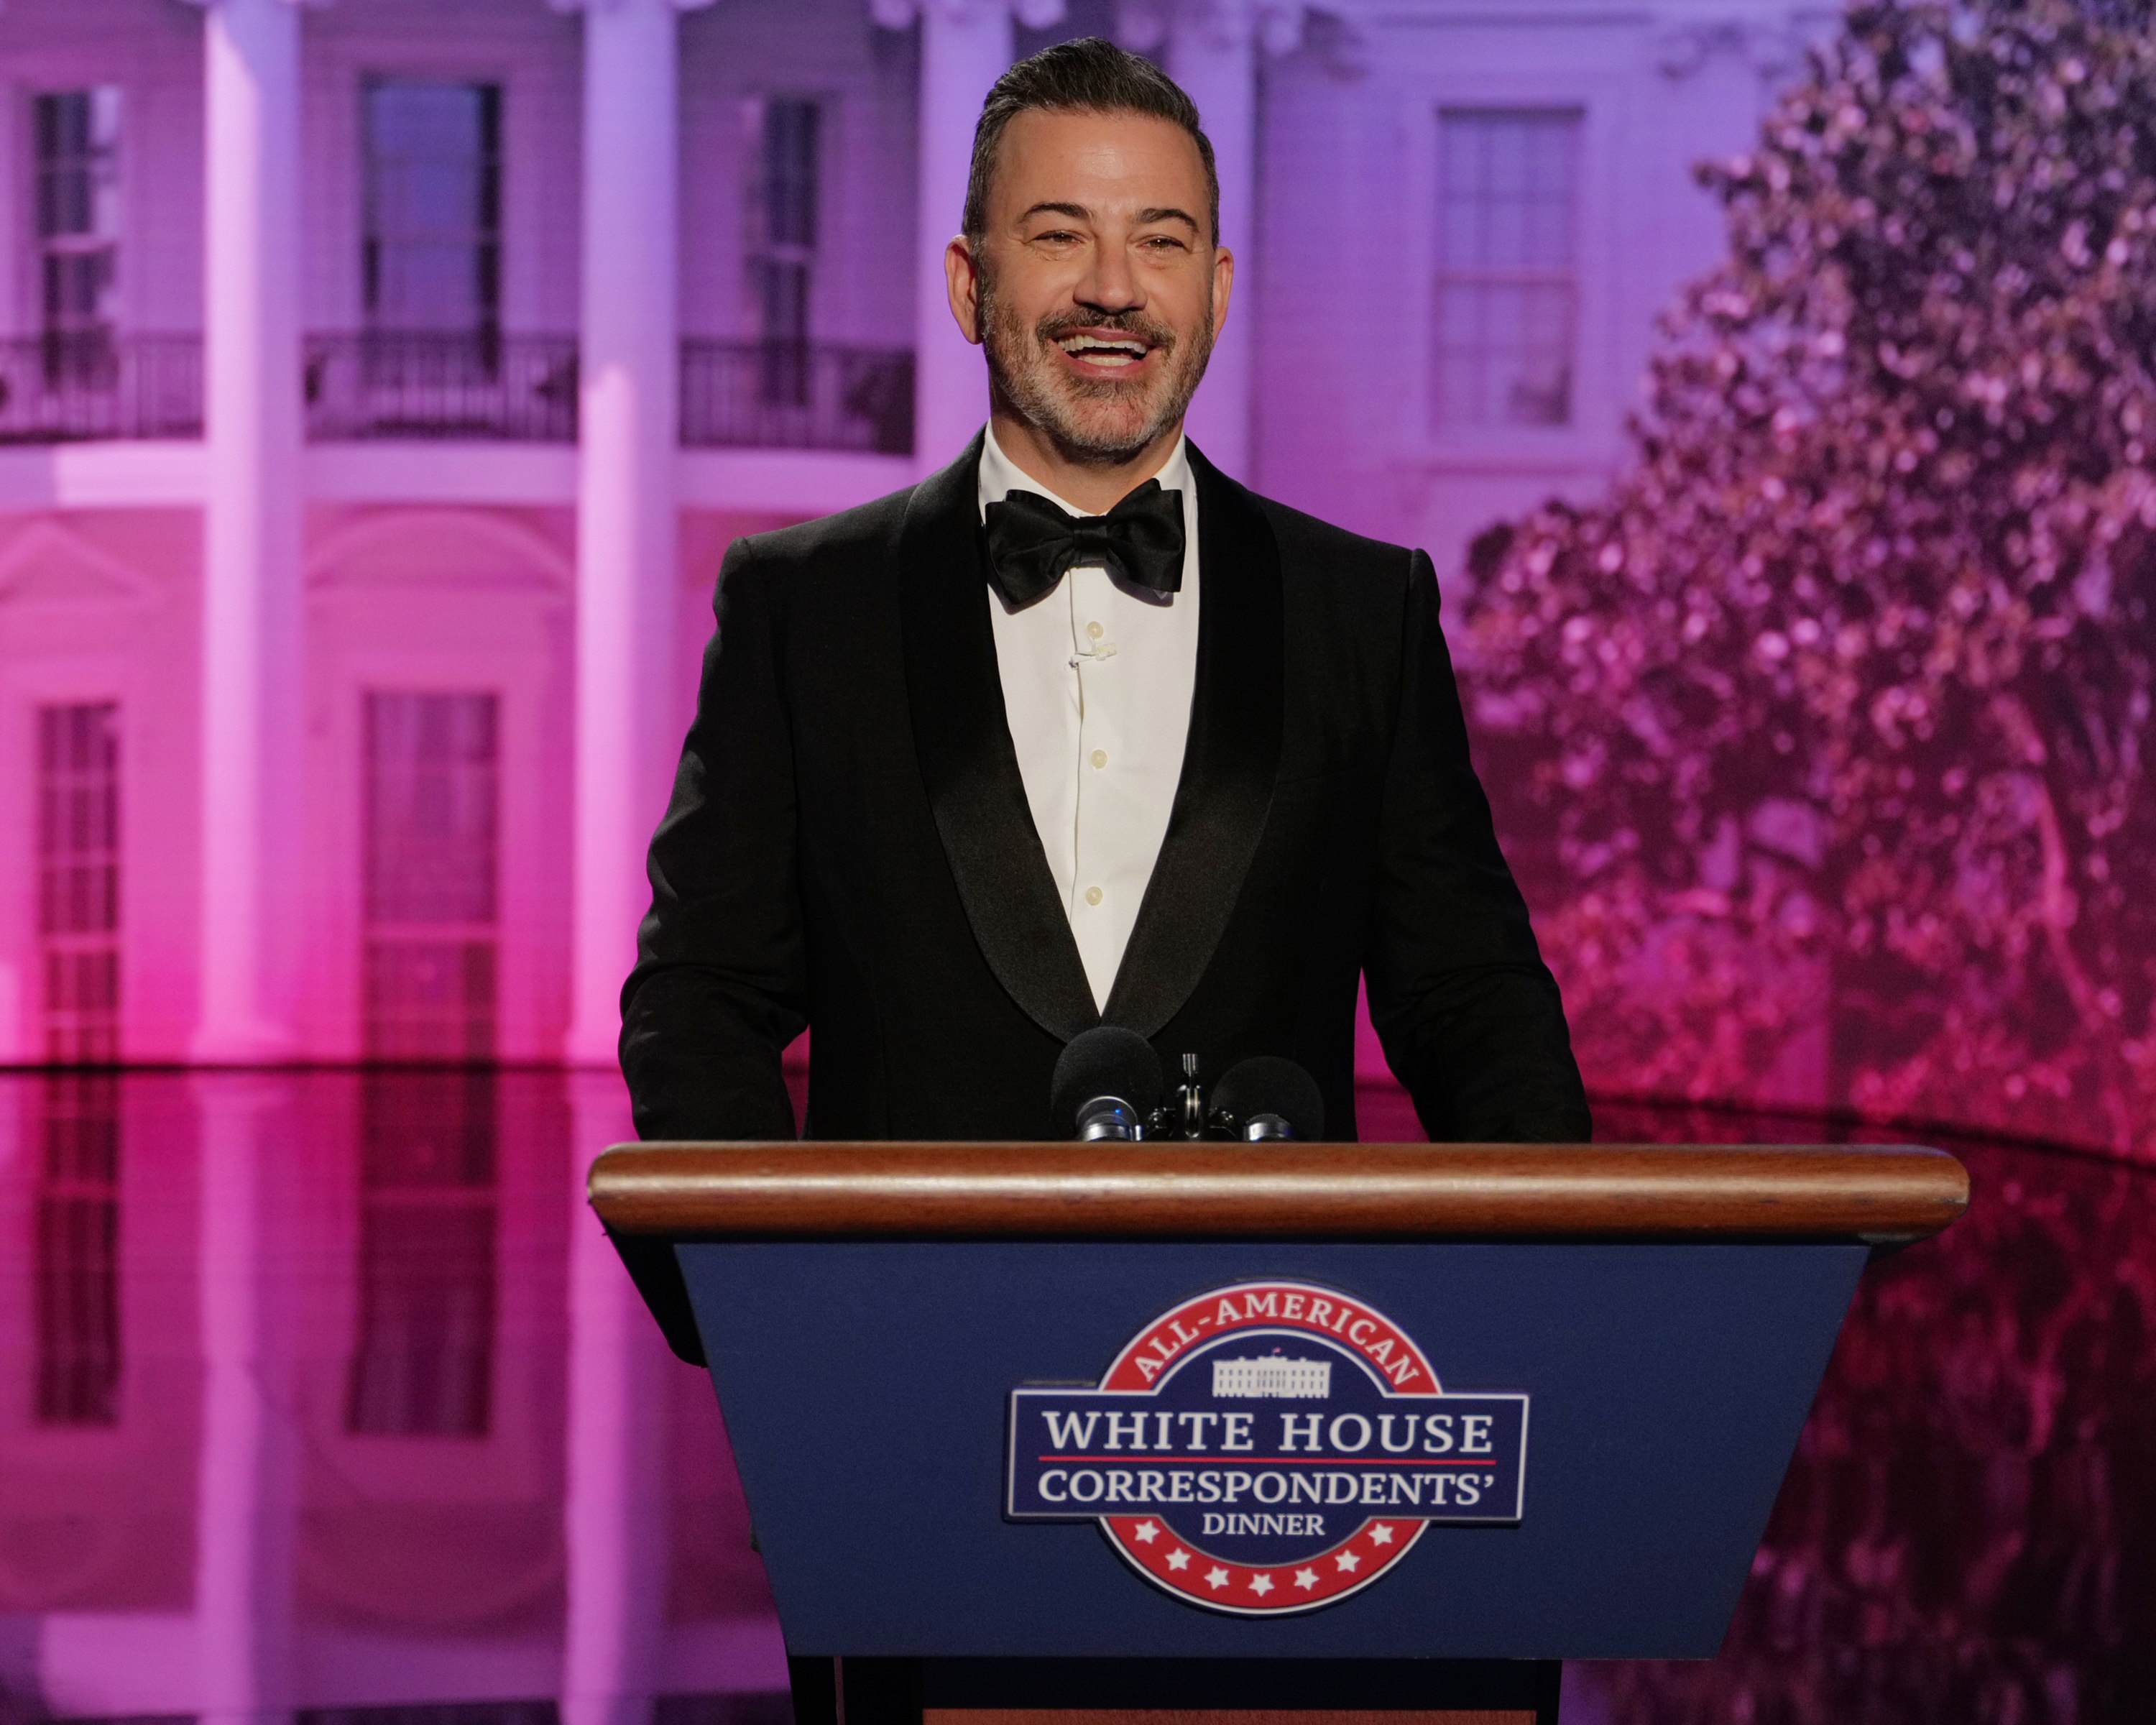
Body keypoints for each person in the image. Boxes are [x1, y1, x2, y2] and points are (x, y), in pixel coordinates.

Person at [620, 37, 1590, 1145]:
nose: (1113, 290)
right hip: (906, 1317)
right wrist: (772, 1311)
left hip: (1258, 1318)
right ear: (969, 283)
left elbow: (1473, 1007)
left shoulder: (1367, 615)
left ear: (1216, 292)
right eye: (1059, 235)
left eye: (1160, 242)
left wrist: (1539, 1301)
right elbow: (698, 1007)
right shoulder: (801, 609)